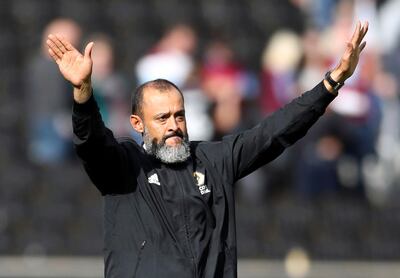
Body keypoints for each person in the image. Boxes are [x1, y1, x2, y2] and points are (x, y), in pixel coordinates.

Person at [46, 21, 368, 278]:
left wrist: (331, 84)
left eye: (179, 115)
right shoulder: (125, 166)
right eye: (162, 118)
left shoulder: (214, 160)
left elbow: (275, 132)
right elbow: (91, 142)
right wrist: (83, 92)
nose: (174, 124)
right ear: (137, 123)